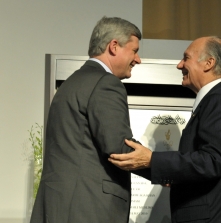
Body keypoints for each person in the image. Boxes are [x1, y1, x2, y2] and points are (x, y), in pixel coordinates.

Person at [109, 36, 221, 222]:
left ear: (209, 63)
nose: (179, 65)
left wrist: (152, 160)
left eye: (186, 58)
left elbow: (212, 161)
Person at [30, 16, 142, 223]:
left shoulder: (70, 84)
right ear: (114, 46)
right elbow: (119, 147)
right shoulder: (106, 83)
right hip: (87, 209)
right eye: (134, 51)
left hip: (59, 207)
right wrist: (163, 167)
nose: (138, 59)